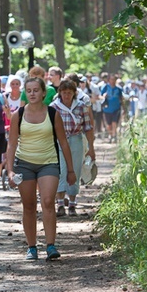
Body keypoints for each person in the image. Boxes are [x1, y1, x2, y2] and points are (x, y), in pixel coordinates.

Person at [6, 77, 76, 261]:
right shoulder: (18, 115)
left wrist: (70, 170)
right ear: (25, 93)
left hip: (48, 163)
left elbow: (63, 143)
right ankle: (31, 247)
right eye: (28, 90)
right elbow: (12, 144)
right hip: (24, 164)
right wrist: (10, 170)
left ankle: (51, 245)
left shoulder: (53, 114)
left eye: (36, 90)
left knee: (47, 201)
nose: (32, 93)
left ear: (44, 92)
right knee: (28, 206)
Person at [51, 80, 95, 217]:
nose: (66, 96)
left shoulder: (81, 106)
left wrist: (91, 147)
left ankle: (72, 203)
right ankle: (59, 203)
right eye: (64, 93)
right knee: (61, 170)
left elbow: (88, 128)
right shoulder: (54, 107)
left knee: (75, 169)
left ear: (74, 93)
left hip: (76, 139)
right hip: (59, 141)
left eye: (69, 93)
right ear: (60, 93)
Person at [100, 73, 123, 142]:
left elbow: (121, 98)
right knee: (109, 124)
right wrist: (104, 96)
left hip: (116, 108)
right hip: (107, 109)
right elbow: (100, 96)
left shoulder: (119, 89)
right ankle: (110, 135)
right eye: (111, 79)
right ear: (108, 80)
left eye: (114, 79)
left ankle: (114, 135)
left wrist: (123, 107)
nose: (112, 81)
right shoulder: (105, 87)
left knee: (114, 122)